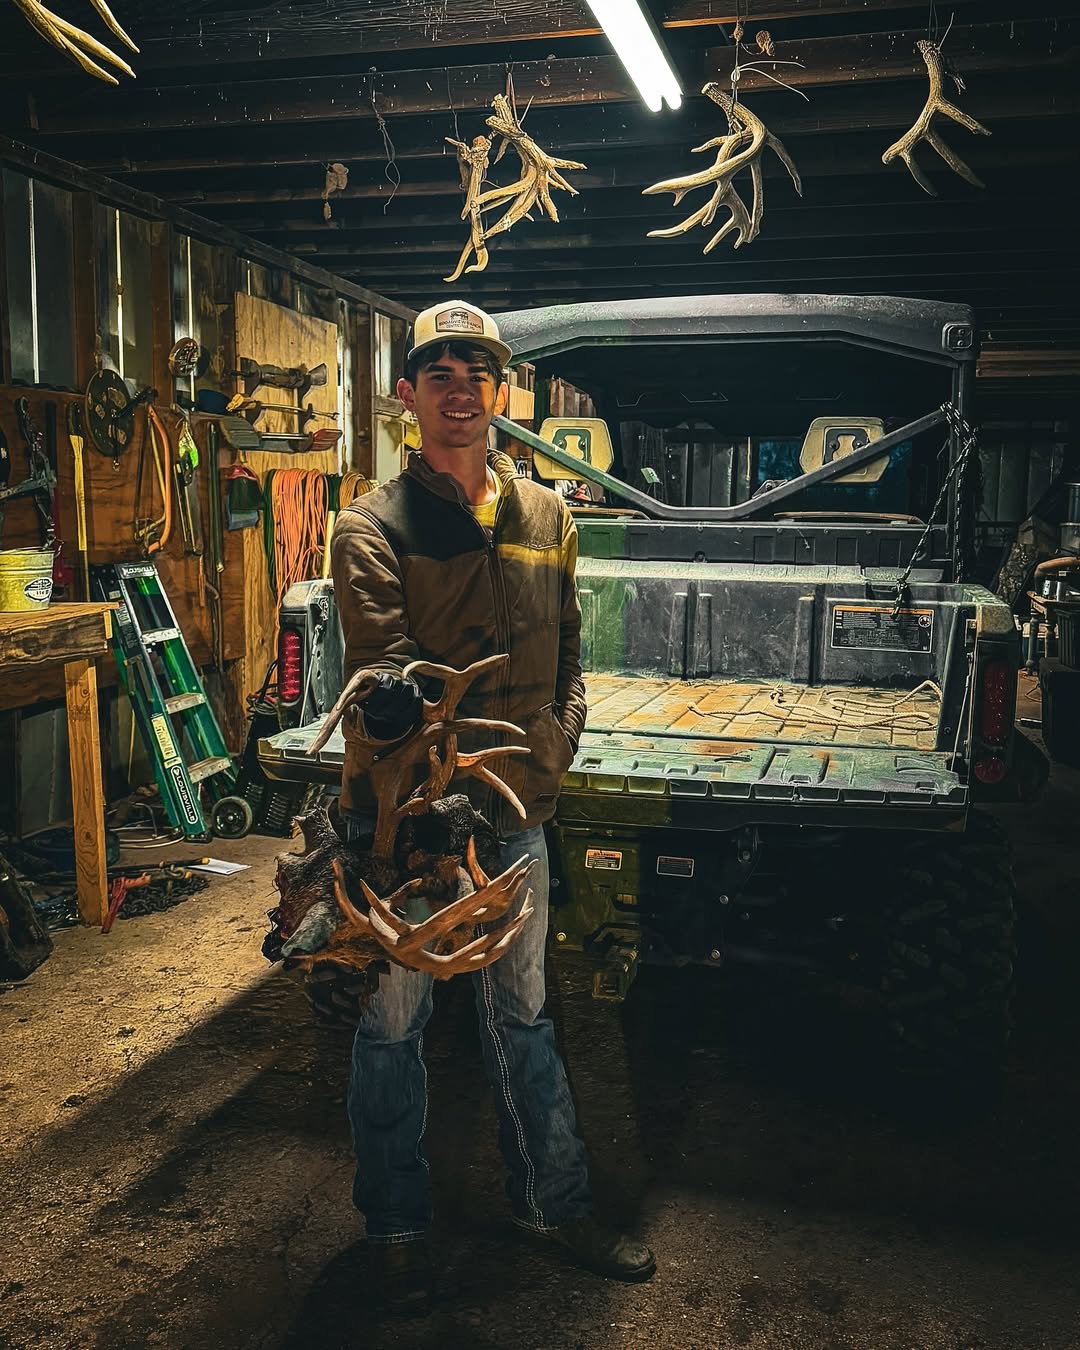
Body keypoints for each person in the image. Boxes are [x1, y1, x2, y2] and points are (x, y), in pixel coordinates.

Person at [330, 299, 656, 1312]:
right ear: (409, 396)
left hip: (515, 816)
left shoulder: (549, 518)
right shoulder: (372, 525)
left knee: (524, 1015)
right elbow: (382, 672)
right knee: (392, 1022)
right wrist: (419, 765)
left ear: (503, 391)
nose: (461, 389)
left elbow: (570, 655)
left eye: (478, 372)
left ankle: (552, 1206)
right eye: (440, 373)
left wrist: (555, 744)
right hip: (409, 824)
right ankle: (395, 1228)